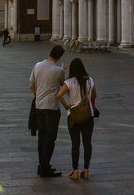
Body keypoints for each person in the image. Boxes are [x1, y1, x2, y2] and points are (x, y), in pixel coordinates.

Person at [57, 57, 97, 181]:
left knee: (75, 144)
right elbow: (94, 95)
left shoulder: (69, 82)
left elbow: (59, 95)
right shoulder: (90, 80)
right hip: (87, 115)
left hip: (73, 115)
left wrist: (66, 106)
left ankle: (75, 170)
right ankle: (86, 169)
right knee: (87, 142)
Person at [29, 45, 66, 178]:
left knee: (42, 138)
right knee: (50, 139)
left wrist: (37, 95)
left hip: (39, 106)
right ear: (60, 56)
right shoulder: (58, 70)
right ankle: (45, 167)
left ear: (49, 52)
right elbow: (63, 86)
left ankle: (42, 164)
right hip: (52, 107)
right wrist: (63, 70)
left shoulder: (37, 65)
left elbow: (31, 85)